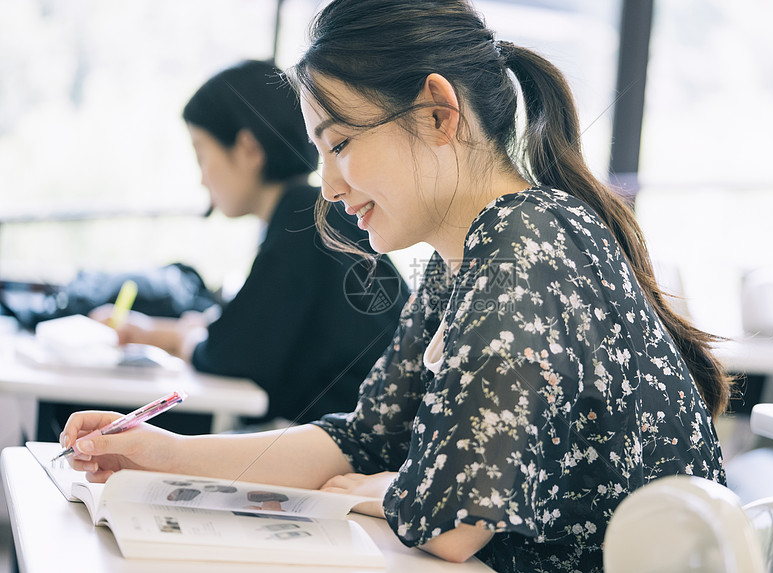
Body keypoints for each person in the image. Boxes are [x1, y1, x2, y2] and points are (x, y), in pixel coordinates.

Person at [61, 2, 732, 571]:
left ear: (439, 113)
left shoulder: (522, 245)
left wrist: (388, 492)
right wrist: (166, 454)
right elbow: (364, 437)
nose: (328, 185)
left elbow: (454, 522)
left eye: (342, 142)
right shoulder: (464, 255)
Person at [90, 59, 408, 424]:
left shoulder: (304, 218)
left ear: (248, 150)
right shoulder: (305, 214)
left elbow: (232, 356)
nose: (202, 179)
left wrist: (179, 339)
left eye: (201, 154)